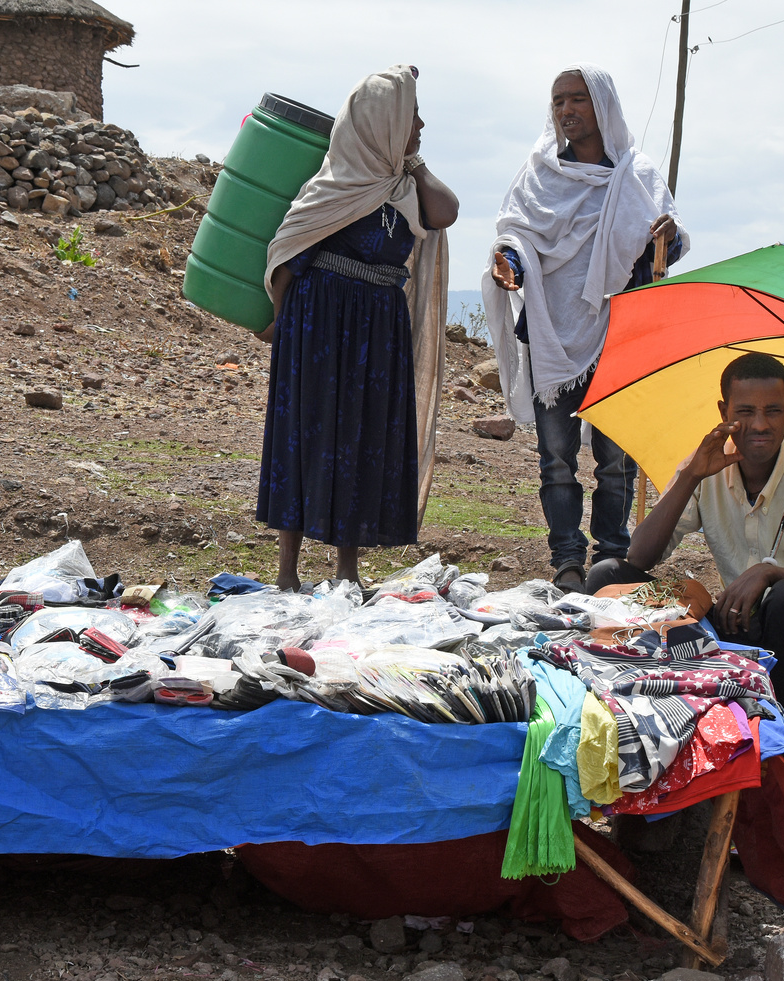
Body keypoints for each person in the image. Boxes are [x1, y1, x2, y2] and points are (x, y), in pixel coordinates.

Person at [482, 65, 688, 594]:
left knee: (616, 463)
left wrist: (669, 235)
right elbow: (518, 236)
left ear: (603, 105)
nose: (567, 110)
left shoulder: (636, 175)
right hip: (555, 330)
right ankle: (568, 563)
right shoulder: (538, 175)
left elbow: (667, 241)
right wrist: (509, 263)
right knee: (556, 460)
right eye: (558, 102)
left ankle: (614, 562)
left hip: (621, 334)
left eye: (578, 99)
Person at [255, 65, 459, 592]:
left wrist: (412, 161)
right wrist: (280, 321)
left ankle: (348, 569)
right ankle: (287, 571)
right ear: (380, 122)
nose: (420, 123)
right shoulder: (330, 185)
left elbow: (448, 210)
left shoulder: (403, 188)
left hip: (378, 327)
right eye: (409, 115)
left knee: (363, 434)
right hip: (318, 323)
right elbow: (287, 252)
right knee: (307, 432)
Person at [589, 352, 784, 735]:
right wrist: (690, 477)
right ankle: (626, 702)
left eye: (773, 411)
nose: (760, 425)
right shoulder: (706, 466)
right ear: (724, 411)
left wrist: (771, 573)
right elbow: (638, 557)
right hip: (742, 636)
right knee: (607, 575)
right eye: (746, 412)